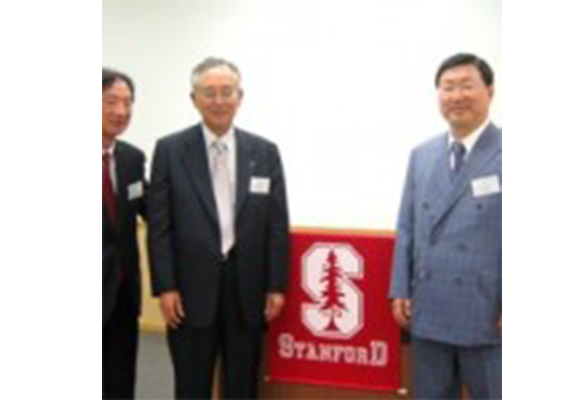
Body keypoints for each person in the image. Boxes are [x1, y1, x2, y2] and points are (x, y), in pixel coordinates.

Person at [148, 57, 290, 400]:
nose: (219, 101)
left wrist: (276, 285)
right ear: (194, 99)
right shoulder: (170, 150)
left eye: (227, 92)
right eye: (209, 92)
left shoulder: (264, 152)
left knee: (242, 385)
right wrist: (165, 286)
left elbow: (276, 224)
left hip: (247, 290)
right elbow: (160, 227)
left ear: (240, 97)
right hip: (189, 291)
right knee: (191, 385)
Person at [390, 53, 502, 400]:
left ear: (489, 91)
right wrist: (400, 288)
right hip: (428, 307)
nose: (457, 96)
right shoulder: (422, 155)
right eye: (448, 87)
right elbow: (406, 226)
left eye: (467, 86)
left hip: (488, 312)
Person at [102, 67, 146, 400]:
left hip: (122, 291)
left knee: (120, 381)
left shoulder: (132, 158)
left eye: (128, 102)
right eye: (111, 101)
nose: (121, 111)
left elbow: (154, 209)